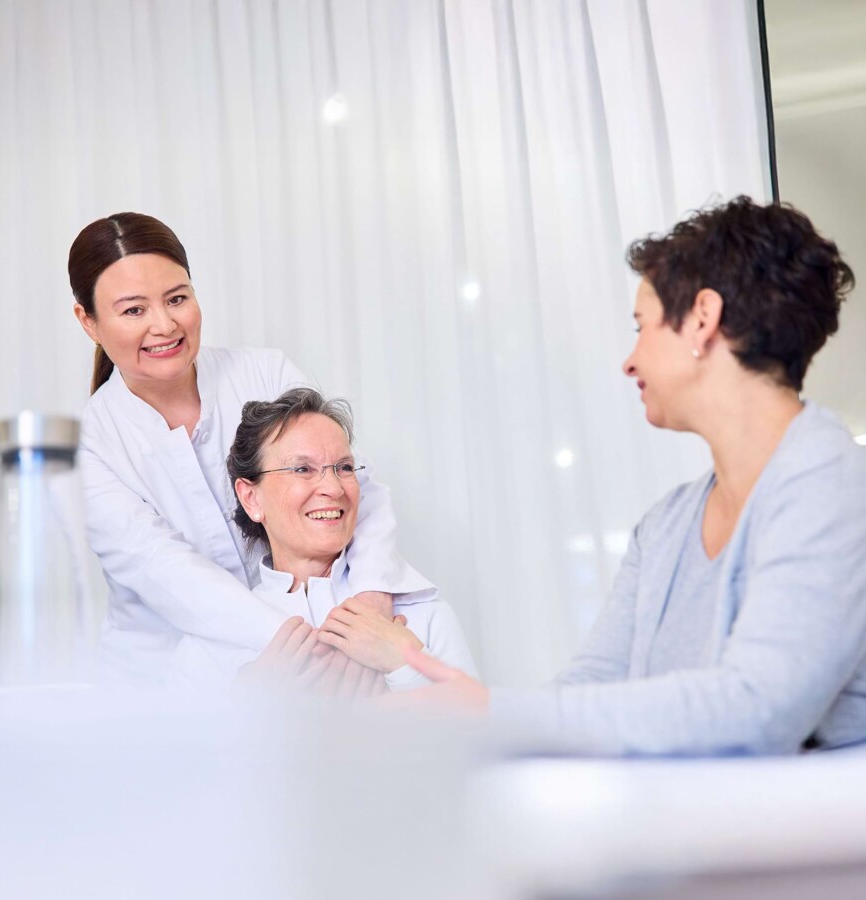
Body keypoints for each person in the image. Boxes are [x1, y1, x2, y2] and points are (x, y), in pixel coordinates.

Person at [402, 196, 866, 756]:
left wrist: (491, 712)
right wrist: (481, 729)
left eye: (642, 326)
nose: (629, 360)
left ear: (702, 319)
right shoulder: (666, 526)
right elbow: (590, 689)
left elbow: (760, 707)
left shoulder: (833, 486)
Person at [70, 212, 433, 684]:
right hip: (165, 684)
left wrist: (368, 602)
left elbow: (350, 483)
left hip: (315, 644)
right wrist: (318, 646)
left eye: (177, 298)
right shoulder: (90, 445)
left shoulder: (264, 374)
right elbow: (167, 572)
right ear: (89, 321)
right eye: (133, 310)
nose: (164, 325)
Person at [169, 388, 476, 690]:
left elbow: (480, 737)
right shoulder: (207, 648)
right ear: (251, 498)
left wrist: (408, 667)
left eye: (344, 467)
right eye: (302, 469)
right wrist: (249, 709)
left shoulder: (423, 614)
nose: (334, 487)